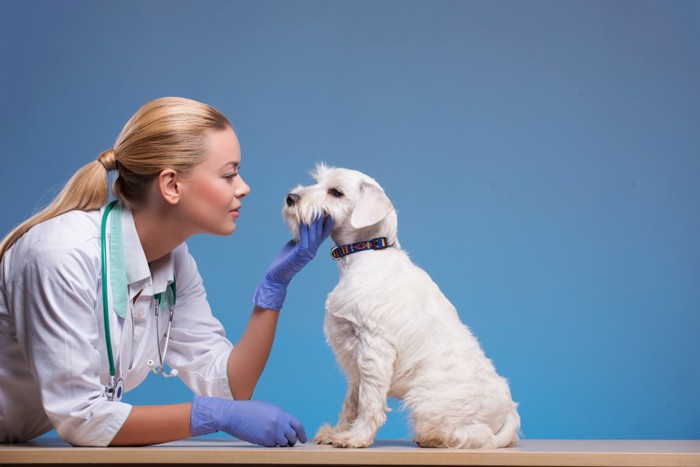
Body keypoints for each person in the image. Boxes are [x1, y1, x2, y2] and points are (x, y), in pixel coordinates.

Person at [0, 97, 333, 447]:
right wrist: (211, 415)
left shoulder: (174, 260)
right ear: (171, 185)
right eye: (229, 173)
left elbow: (230, 385)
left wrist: (274, 287)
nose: (243, 187)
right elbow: (81, 419)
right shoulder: (61, 254)